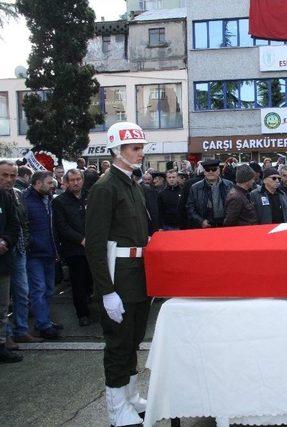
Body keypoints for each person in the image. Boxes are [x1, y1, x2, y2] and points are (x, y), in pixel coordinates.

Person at [85, 122, 152, 426]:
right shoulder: (105, 187)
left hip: (137, 273)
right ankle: (115, 408)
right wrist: (106, 290)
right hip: (118, 275)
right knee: (118, 342)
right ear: (117, 150)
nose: (140, 153)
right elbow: (95, 245)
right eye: (135, 148)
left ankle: (130, 395)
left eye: (141, 147)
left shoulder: (132, 184)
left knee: (134, 338)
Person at [0, 161, 41, 348]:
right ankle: (5, 336)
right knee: (4, 298)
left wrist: (13, 241)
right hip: (5, 253)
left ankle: (21, 330)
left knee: (22, 293)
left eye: (12, 175)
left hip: (18, 250)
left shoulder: (17, 195)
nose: (9, 179)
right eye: (4, 175)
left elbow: (19, 224)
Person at [52, 169, 93, 327]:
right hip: (74, 249)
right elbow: (62, 226)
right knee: (78, 282)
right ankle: (82, 314)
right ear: (66, 182)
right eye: (72, 180)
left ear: (82, 180)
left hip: (93, 246)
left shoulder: (90, 197)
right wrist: (81, 240)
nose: (76, 183)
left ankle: (90, 301)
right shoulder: (59, 201)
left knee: (91, 279)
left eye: (78, 179)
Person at [23, 171, 61, 340]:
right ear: (37, 183)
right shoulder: (25, 200)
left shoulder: (49, 200)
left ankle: (44, 320)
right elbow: (23, 228)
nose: (52, 185)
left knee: (49, 290)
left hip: (49, 252)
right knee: (38, 289)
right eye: (49, 182)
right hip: (35, 254)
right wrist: (31, 244)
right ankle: (43, 325)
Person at [0, 180, 21, 363]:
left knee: (2, 307)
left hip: (3, 261)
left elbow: (14, 225)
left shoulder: (4, 197)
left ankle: (1, 345)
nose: (8, 179)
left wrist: (5, 241)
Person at [187, 159, 232, 229]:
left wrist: (229, 220)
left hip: (225, 225)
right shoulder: (195, 188)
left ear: (219, 171)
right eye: (207, 169)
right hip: (206, 226)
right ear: (204, 172)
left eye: (214, 169)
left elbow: (233, 205)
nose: (210, 172)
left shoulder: (229, 185)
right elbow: (190, 208)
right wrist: (201, 221)